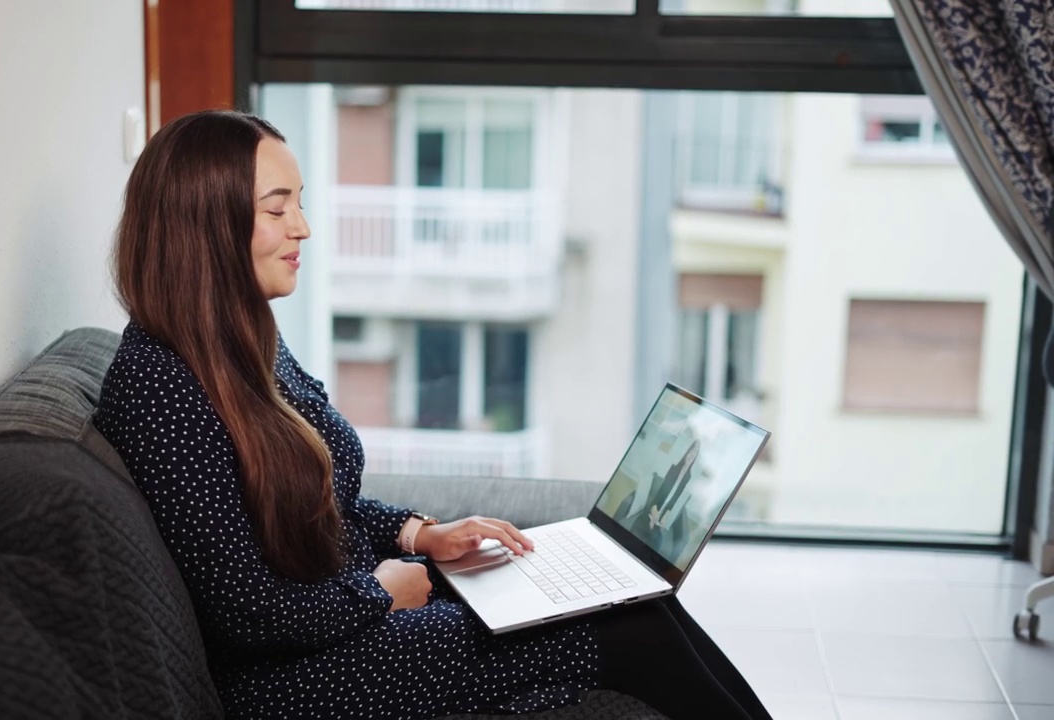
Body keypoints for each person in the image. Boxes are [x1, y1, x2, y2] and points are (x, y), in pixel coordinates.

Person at [93, 110, 772, 720]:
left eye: (299, 203)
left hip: (346, 615)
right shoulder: (161, 387)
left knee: (635, 597)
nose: (303, 227)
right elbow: (247, 612)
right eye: (277, 209)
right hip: (293, 677)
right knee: (619, 625)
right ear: (205, 224)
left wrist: (422, 535)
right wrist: (380, 594)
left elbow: (311, 500)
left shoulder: (243, 339)